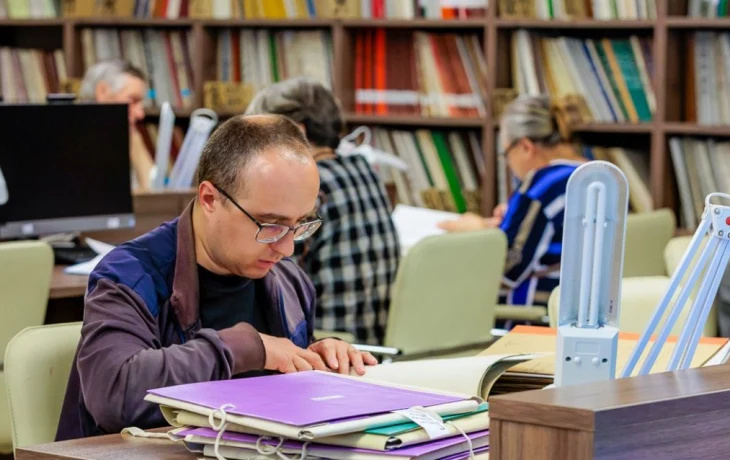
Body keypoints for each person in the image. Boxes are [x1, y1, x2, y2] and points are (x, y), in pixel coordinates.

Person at [55, 114, 377, 441]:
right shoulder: (130, 275)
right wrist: (242, 348)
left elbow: (283, 392)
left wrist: (318, 359)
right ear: (210, 198)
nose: (286, 248)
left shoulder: (288, 282)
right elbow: (114, 395)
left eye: (301, 224)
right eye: (271, 225)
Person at [244, 77, 400, 346]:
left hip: (324, 344)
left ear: (296, 132)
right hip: (373, 340)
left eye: (259, 139)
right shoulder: (364, 170)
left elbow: (271, 279)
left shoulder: (308, 186)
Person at [439, 95, 586, 309]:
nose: (507, 163)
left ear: (525, 146)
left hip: (536, 312)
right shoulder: (599, 177)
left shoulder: (540, 187)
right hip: (580, 309)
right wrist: (513, 219)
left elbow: (507, 269)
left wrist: (477, 231)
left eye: (506, 153)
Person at [78, 59, 154, 190]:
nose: (140, 114)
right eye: (133, 100)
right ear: (102, 91)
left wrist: (135, 142)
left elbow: (153, 191)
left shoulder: (123, 141)